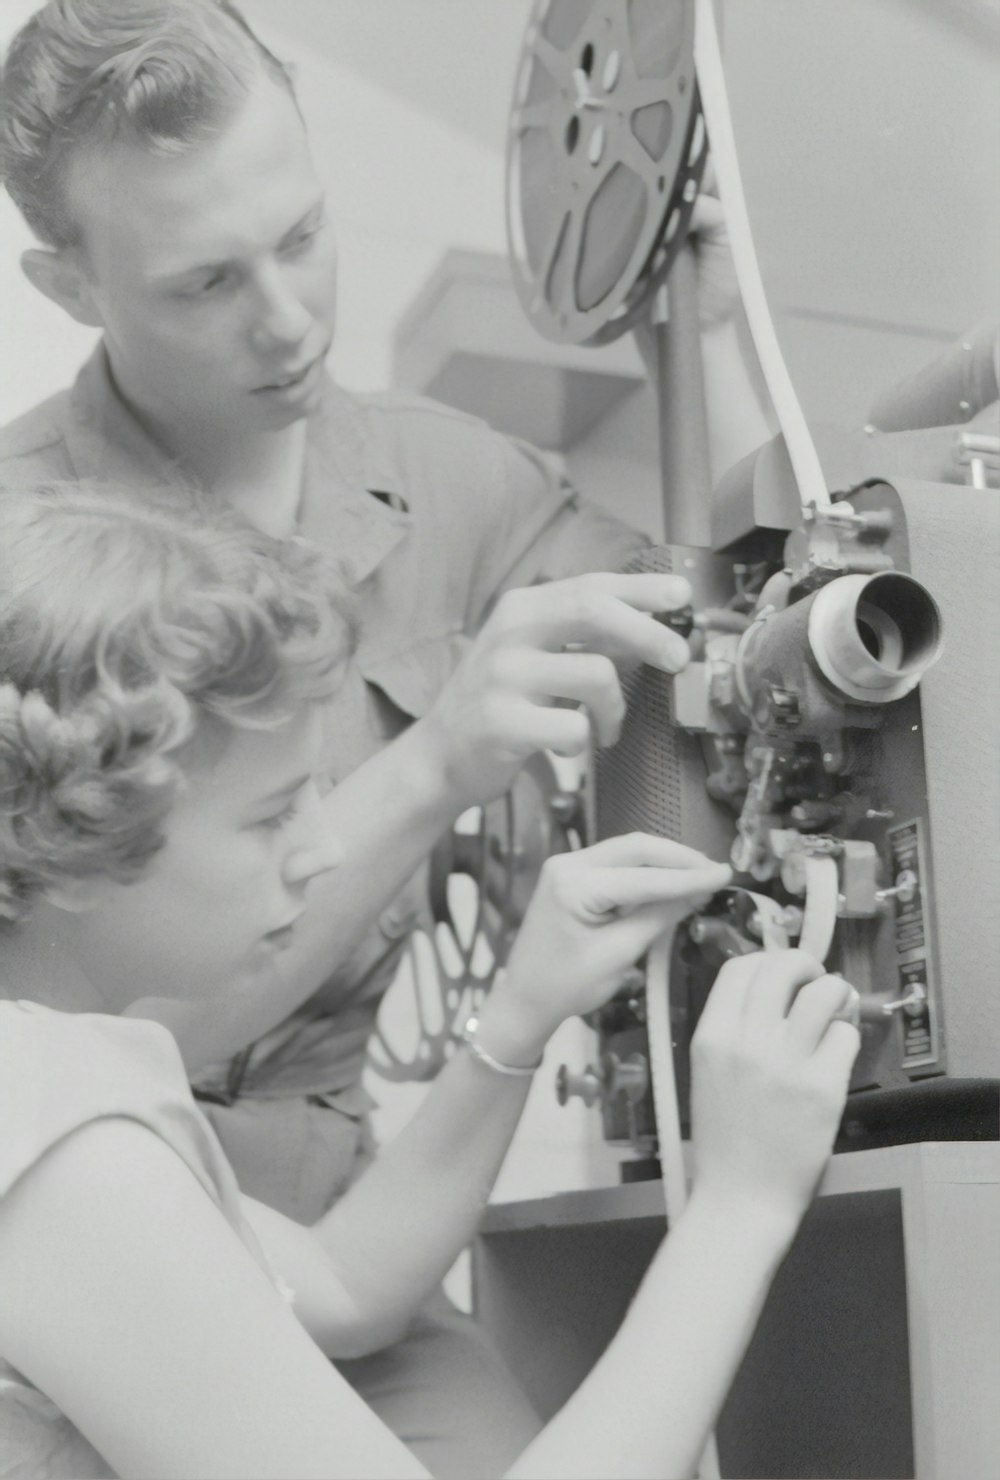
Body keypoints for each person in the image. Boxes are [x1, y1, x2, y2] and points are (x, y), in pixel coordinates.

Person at [0, 3, 772, 1468]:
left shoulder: (444, 478)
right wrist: (431, 768)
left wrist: (714, 320)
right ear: (70, 281)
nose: (287, 319)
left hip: (344, 1225)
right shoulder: (29, 563)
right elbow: (88, 1020)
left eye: (301, 237)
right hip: (142, 1209)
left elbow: (730, 610)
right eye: (208, 280)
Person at [0, 482, 860, 1480]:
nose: (324, 849)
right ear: (72, 837)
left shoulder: (48, 1087)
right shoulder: (65, 1152)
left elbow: (346, 1286)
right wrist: (739, 1207)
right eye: (271, 815)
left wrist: (522, 1008)